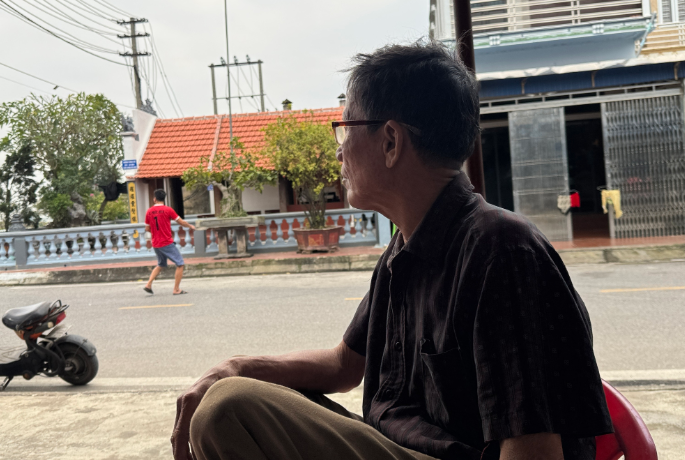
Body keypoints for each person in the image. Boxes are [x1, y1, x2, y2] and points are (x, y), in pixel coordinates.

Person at [172, 41, 612, 460]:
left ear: (390, 141)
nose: (339, 153)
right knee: (237, 395)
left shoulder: (502, 251)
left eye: (344, 129)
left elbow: (533, 449)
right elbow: (343, 365)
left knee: (226, 409)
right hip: (392, 443)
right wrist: (235, 366)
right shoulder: (403, 251)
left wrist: (232, 385)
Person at [144, 189, 196, 295]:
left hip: (156, 243)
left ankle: (148, 284)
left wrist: (156, 232)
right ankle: (176, 289)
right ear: (164, 199)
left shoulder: (149, 211)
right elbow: (180, 222)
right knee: (180, 264)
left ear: (154, 199)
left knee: (161, 264)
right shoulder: (168, 210)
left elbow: (147, 228)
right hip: (166, 242)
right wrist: (190, 226)